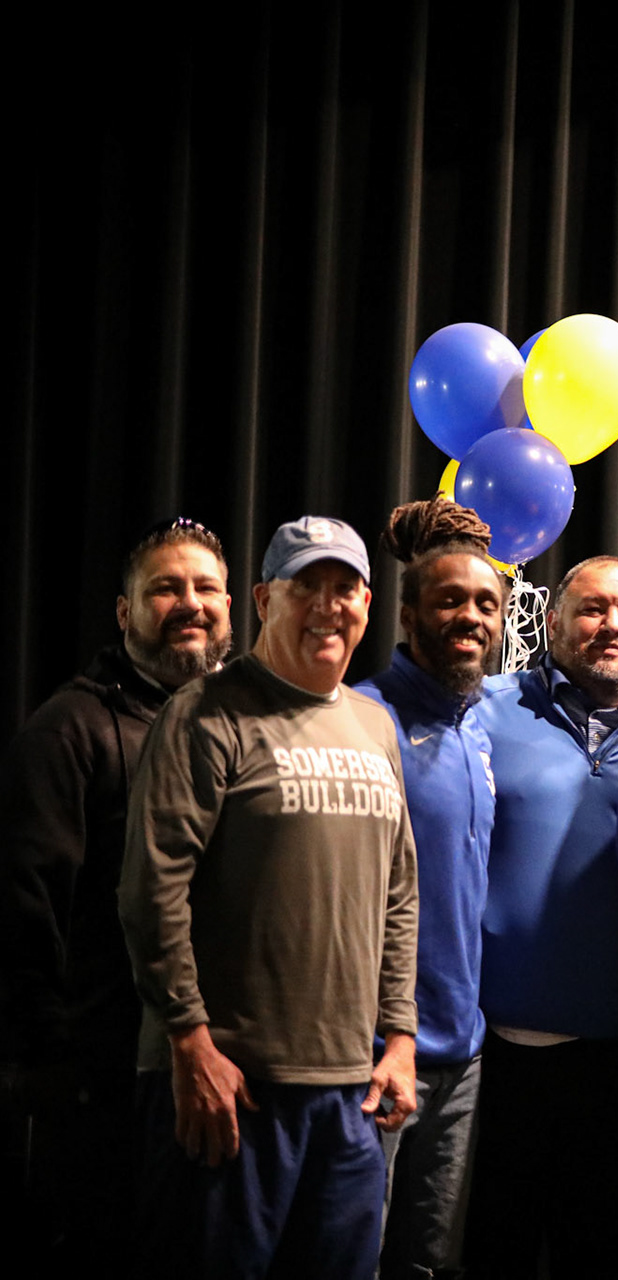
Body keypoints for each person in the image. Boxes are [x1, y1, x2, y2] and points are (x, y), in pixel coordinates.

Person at [118, 515, 419, 1279]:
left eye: (344, 588)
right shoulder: (205, 713)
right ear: (262, 600)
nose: (327, 606)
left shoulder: (375, 726)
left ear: (367, 602)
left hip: (349, 1091)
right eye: (304, 586)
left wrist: (399, 1037)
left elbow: (398, 894)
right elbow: (153, 889)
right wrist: (189, 1041)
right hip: (233, 1088)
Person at [0, 516, 232, 1272]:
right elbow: (26, 907)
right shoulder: (69, 730)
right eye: (167, 588)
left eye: (206, 588)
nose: (190, 603)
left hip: (215, 1075)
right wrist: (50, 1064)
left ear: (233, 606)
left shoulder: (244, 725)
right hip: (100, 1089)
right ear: (125, 611)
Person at [465, 555, 618, 1278]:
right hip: (498, 1056)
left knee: (605, 1258)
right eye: (591, 609)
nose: (611, 625)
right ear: (551, 623)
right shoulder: (485, 707)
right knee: (495, 1254)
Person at [354, 499, 505, 1278]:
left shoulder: (481, 728)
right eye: (449, 600)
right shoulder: (363, 719)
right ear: (408, 615)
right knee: (354, 1256)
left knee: (426, 1265)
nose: (470, 616)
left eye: (485, 603)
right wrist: (385, 1039)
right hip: (374, 1055)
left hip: (463, 1055)